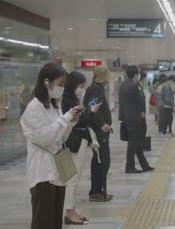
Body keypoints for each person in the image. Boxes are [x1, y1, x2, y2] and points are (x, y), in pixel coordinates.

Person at [20, 63, 80, 229]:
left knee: (55, 221)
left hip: (57, 170)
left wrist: (70, 124)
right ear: (47, 82)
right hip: (42, 173)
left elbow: (60, 137)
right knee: (43, 222)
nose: (61, 88)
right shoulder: (34, 108)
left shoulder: (54, 105)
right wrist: (66, 117)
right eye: (60, 84)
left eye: (63, 85)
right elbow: (45, 137)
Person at [61, 71, 101, 225]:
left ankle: (72, 210)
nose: (82, 89)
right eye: (81, 86)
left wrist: (87, 109)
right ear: (73, 85)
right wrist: (91, 111)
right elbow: (78, 121)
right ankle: (70, 213)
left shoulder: (71, 97)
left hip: (77, 140)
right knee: (72, 179)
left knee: (73, 178)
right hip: (75, 142)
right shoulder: (69, 99)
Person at [84, 66, 113, 202]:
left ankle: (96, 190)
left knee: (98, 160)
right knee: (103, 160)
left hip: (97, 131)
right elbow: (92, 108)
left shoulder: (93, 88)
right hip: (99, 132)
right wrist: (102, 124)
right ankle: (95, 191)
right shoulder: (97, 89)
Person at [119, 66, 154, 173]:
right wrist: (142, 115)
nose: (139, 75)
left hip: (128, 117)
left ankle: (144, 165)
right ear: (135, 75)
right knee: (133, 143)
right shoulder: (133, 86)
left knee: (137, 143)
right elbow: (139, 101)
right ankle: (129, 167)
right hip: (134, 118)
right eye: (138, 73)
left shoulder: (125, 84)